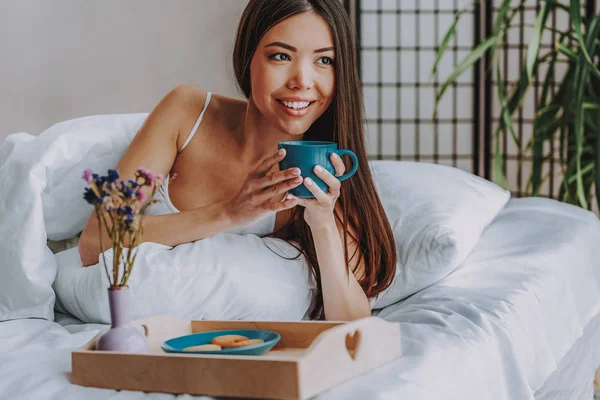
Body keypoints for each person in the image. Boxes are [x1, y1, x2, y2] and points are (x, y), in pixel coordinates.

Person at [78, 0, 396, 321]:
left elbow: (352, 320)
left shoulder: (327, 167)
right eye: (281, 56)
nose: (302, 80)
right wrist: (230, 213)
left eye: (324, 60)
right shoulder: (186, 113)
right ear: (248, 59)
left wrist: (323, 221)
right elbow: (94, 241)